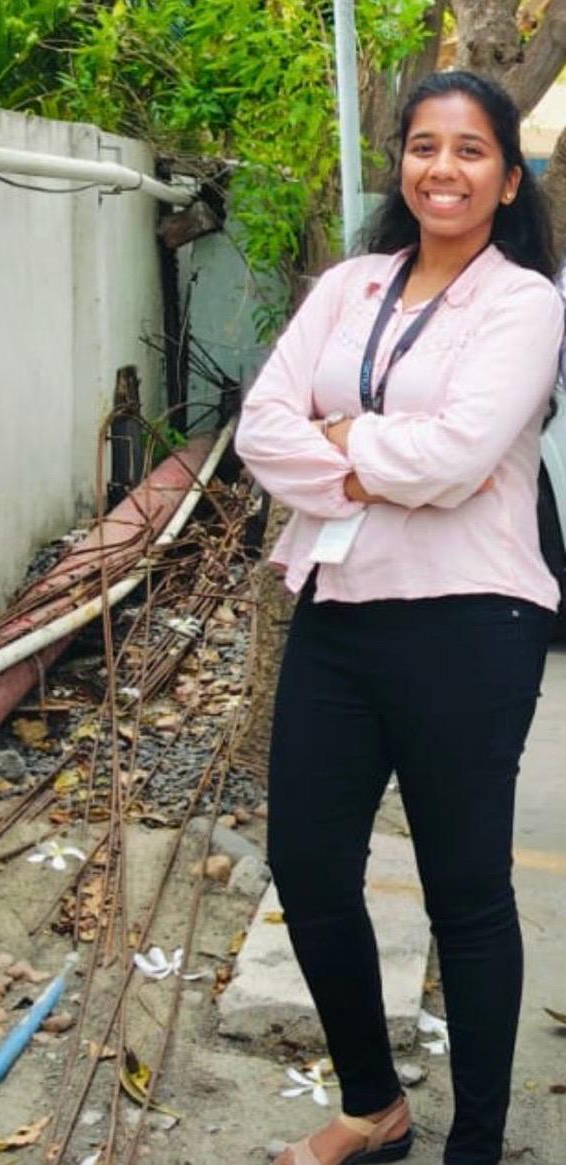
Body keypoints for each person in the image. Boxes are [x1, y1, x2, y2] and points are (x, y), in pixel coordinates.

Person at [235, 70, 564, 1165]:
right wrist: (372, 461)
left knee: (463, 889)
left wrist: (341, 441)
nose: (442, 168)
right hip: (339, 608)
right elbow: (260, 426)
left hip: (471, 620)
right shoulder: (349, 285)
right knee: (307, 867)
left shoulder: (522, 302)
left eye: (469, 150)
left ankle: (476, 1142)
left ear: (506, 179)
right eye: (424, 146)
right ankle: (373, 1105)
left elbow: (462, 456)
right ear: (401, 164)